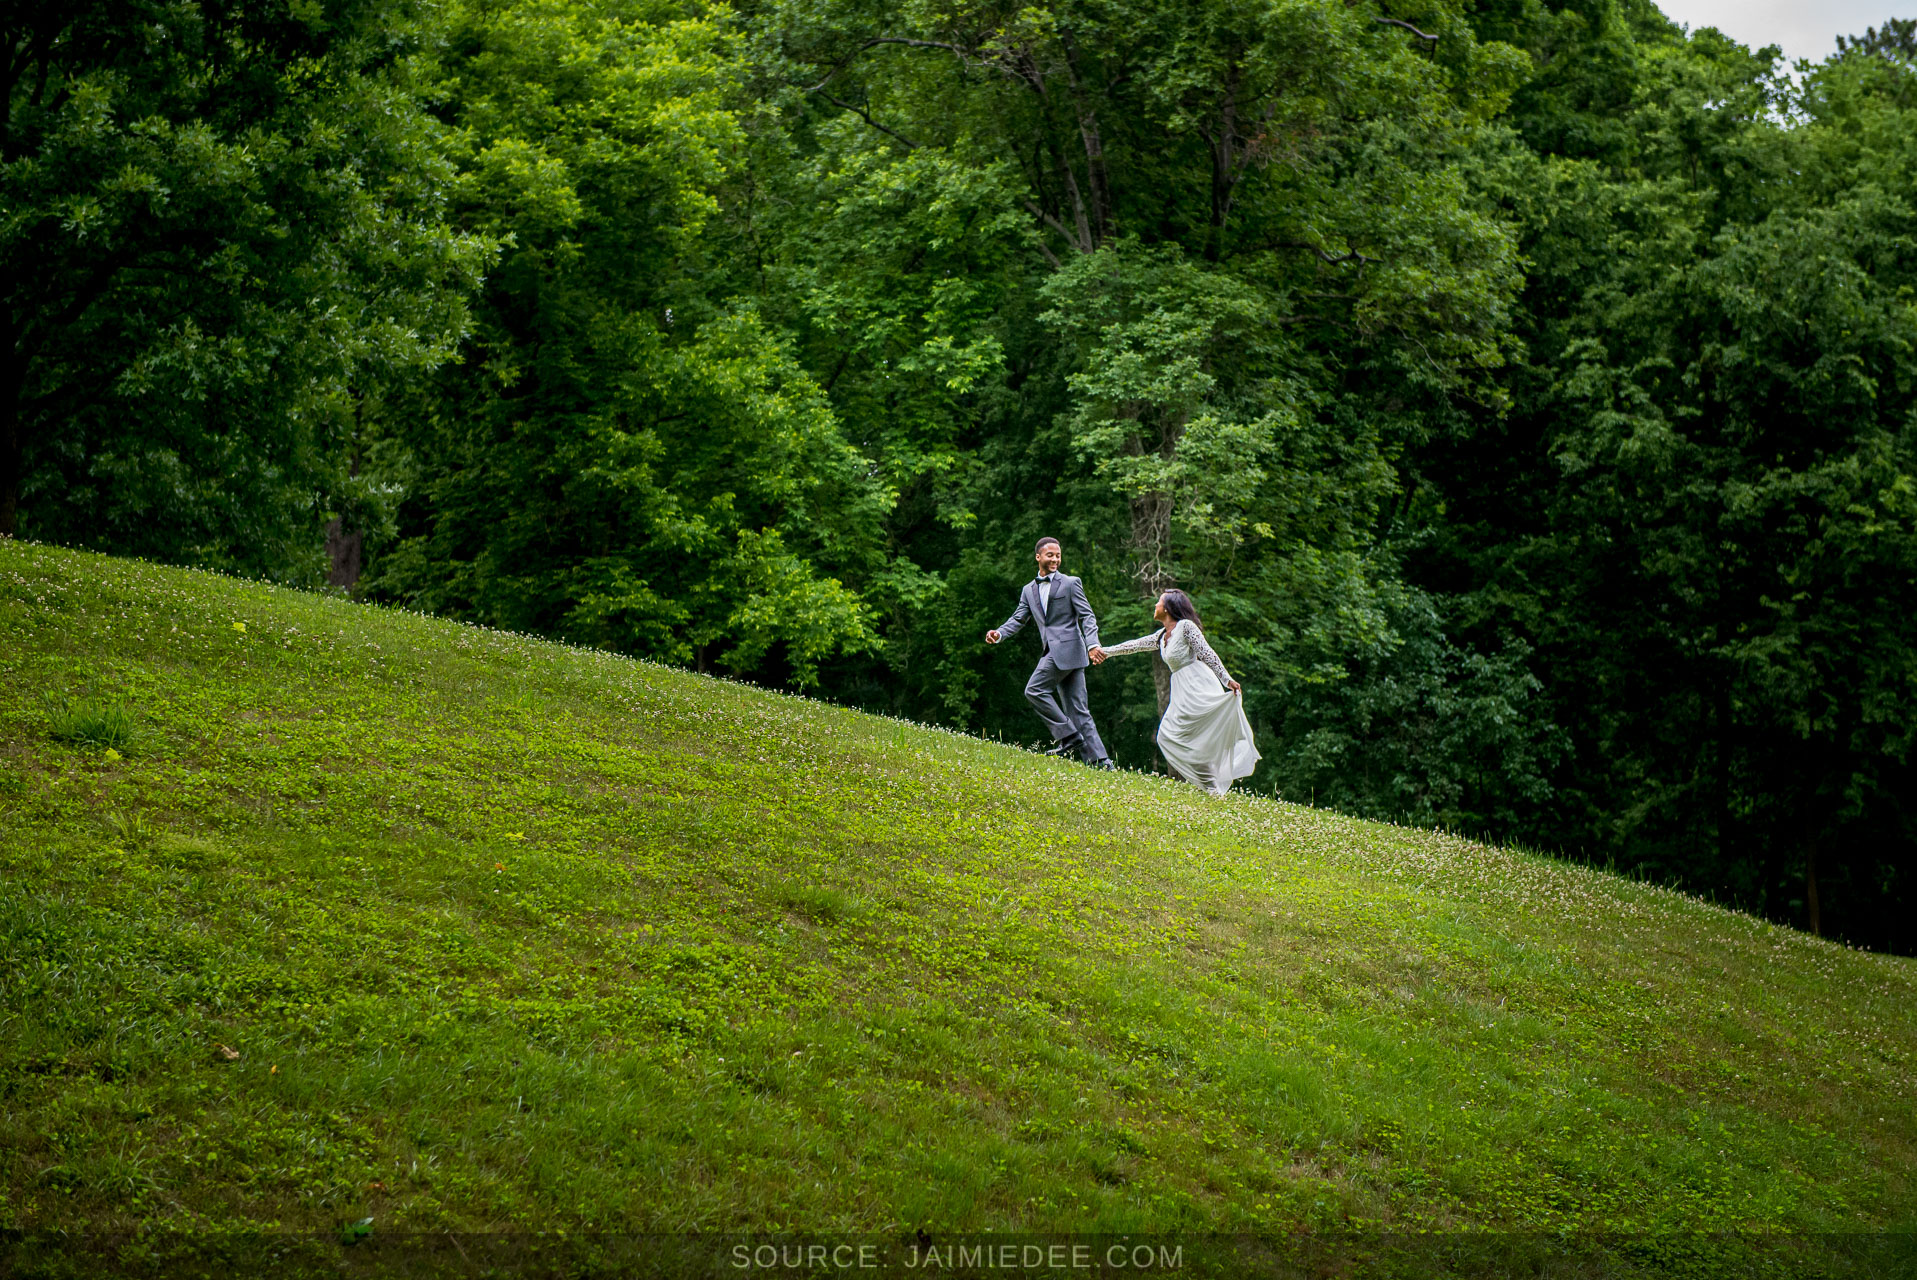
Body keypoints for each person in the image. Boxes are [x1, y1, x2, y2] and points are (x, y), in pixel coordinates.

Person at [1093, 589, 1258, 795]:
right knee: (1166, 736)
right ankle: (1210, 785)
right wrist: (1105, 652)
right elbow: (1134, 645)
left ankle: (1212, 786)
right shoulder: (1161, 636)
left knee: (1200, 736)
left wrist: (1227, 679)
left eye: (1159, 602)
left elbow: (1207, 652)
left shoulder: (1185, 627)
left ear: (1168, 608)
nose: (1155, 605)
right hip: (1181, 689)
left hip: (1199, 683)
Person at [986, 536, 1114, 768]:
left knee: (1034, 690)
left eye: (1058, 555)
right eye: (1050, 555)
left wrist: (1093, 644)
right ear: (1038, 557)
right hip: (1053, 651)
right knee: (1077, 710)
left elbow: (1087, 615)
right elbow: (1018, 618)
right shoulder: (1028, 590)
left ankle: (1069, 736)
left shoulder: (1071, 583)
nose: (1055, 559)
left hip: (1070, 649)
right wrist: (1000, 633)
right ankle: (1100, 761)